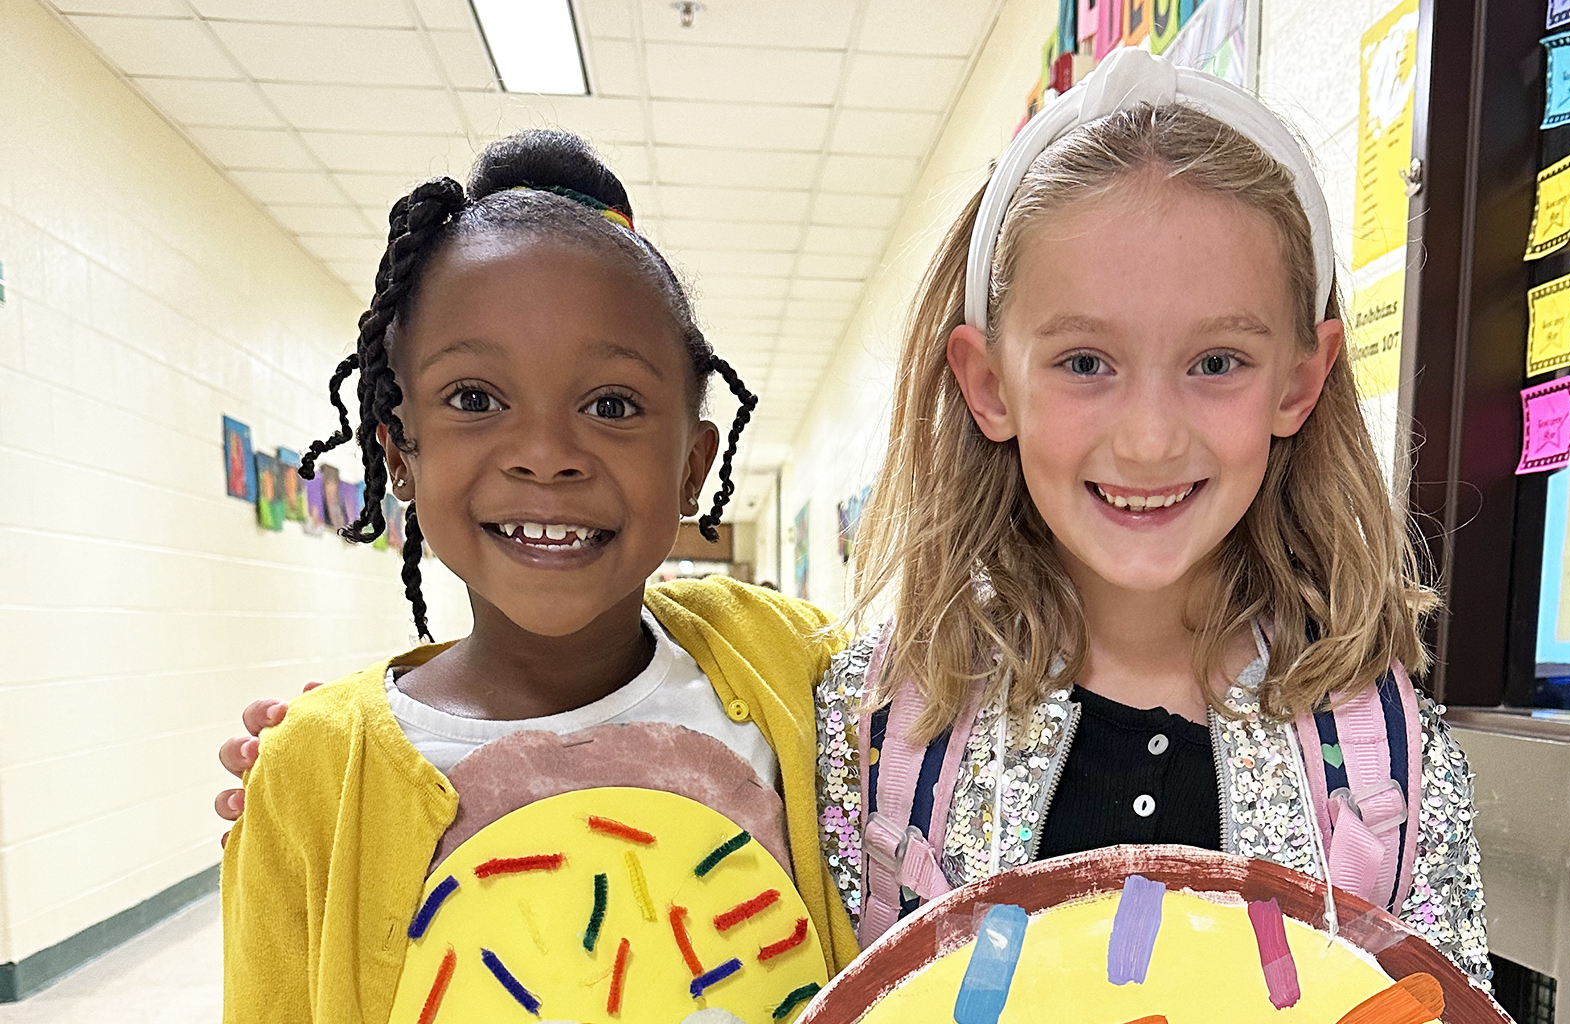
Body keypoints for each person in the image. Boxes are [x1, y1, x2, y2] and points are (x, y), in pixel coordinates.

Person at [813, 47, 1490, 984]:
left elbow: (1434, 998)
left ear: (1302, 379)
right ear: (987, 384)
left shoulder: (1385, 761)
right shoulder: (879, 724)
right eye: (1085, 362)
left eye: (1217, 362)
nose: (1148, 441)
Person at [218, 129, 855, 1024]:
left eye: (612, 405)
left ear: (691, 466)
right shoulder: (318, 775)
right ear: (399, 452)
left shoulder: (790, 667)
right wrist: (308, 761)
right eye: (475, 399)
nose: (548, 456)